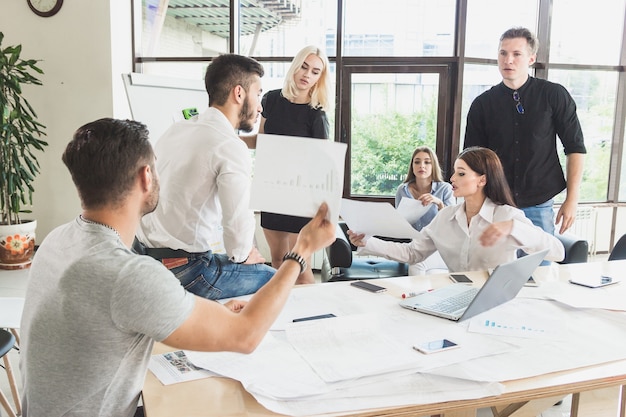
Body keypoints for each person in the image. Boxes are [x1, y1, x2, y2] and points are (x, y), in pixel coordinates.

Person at [19, 118, 335, 417]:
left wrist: (221, 314)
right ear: (146, 177)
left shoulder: (56, 240)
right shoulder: (127, 275)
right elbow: (245, 336)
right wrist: (302, 249)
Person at [135, 53, 276, 300]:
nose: (260, 106)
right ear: (239, 93)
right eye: (259, 94)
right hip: (186, 270)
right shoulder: (229, 145)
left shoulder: (177, 129)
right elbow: (237, 228)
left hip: (142, 257)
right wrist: (245, 256)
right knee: (275, 279)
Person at [348, 147, 564, 272]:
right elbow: (412, 253)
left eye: (461, 173)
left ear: (482, 180)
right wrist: (366, 241)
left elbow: (558, 252)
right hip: (455, 295)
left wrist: (513, 228)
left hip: (496, 301)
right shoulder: (445, 217)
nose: (452, 179)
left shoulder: (507, 216)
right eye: (454, 172)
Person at [463, 26, 586, 236]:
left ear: (531, 59)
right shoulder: (482, 104)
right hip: (495, 203)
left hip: (539, 203)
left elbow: (575, 147)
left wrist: (572, 199)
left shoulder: (553, 95)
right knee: (494, 267)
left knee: (540, 266)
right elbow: (471, 160)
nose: (508, 60)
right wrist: (472, 205)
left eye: (516, 54)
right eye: (503, 53)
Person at [244, 45, 332, 284]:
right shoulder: (271, 100)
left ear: (319, 78)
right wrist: (227, 137)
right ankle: (282, 315)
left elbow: (322, 163)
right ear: (295, 66)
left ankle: (312, 320)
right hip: (271, 189)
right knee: (277, 262)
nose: (307, 74)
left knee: (299, 267)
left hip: (300, 196)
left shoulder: (317, 114)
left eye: (315, 71)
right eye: (304, 66)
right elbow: (260, 141)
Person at [395, 146, 454, 274]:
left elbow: (452, 223)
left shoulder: (445, 189)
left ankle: (416, 294)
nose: (422, 165)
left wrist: (439, 203)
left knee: (418, 264)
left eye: (427, 162)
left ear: (433, 166)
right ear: (412, 166)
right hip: (416, 245)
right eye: (417, 162)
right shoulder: (402, 190)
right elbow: (400, 224)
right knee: (422, 266)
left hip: (440, 247)